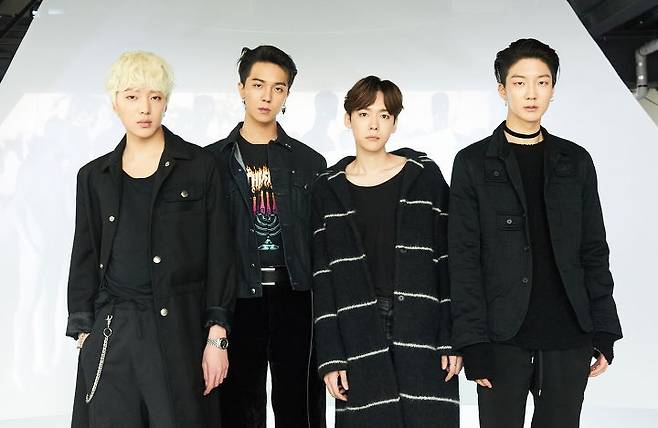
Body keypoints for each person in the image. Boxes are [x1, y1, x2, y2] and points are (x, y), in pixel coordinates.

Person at [448, 38, 623, 428]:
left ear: (553, 89)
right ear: (502, 90)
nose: (531, 93)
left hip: (568, 332)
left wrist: (605, 328)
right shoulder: (473, 163)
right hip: (501, 336)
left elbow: (594, 249)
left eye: (542, 82)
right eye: (520, 82)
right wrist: (472, 341)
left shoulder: (575, 160)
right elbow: (463, 258)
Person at [66, 51, 235, 427]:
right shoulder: (94, 176)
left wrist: (217, 336)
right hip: (114, 327)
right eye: (132, 96)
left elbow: (220, 255)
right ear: (115, 102)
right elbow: (85, 254)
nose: (144, 108)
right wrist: (83, 331)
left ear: (166, 102)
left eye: (155, 97)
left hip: (179, 327)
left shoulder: (199, 167)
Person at [311, 76, 460, 427]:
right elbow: (323, 277)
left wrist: (452, 337)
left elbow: (448, 260)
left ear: (395, 122)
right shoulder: (327, 189)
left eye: (384, 115)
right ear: (348, 119)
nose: (374, 124)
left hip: (422, 319)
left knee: (428, 419)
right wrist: (331, 357)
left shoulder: (424, 177)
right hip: (357, 323)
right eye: (364, 114)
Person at [206, 45, 327, 427]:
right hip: (239, 298)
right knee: (238, 410)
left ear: (287, 94)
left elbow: (319, 242)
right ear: (241, 88)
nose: (267, 96)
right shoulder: (211, 162)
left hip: (297, 298)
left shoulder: (309, 162)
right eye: (258, 85)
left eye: (278, 88)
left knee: (301, 409)